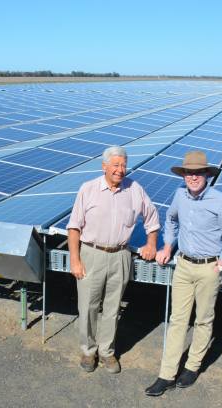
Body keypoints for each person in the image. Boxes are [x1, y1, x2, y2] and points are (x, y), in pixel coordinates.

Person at [145, 150, 222, 396]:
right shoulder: (179, 195)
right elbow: (170, 220)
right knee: (177, 320)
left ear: (207, 175)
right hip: (183, 266)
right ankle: (166, 374)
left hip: (209, 268)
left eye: (198, 172)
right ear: (184, 174)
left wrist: (220, 264)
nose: (193, 177)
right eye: (189, 172)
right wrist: (168, 246)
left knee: (203, 319)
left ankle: (192, 367)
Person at [67, 146, 160, 374]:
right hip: (92, 253)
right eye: (116, 165)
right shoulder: (88, 189)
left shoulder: (135, 189)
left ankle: (107, 351)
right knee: (87, 306)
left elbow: (152, 217)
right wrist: (75, 260)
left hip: (120, 255)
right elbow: (74, 227)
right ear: (104, 166)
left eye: (123, 165)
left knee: (112, 307)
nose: (120, 170)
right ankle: (88, 351)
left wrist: (151, 244)